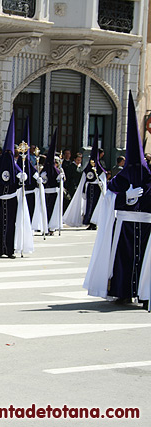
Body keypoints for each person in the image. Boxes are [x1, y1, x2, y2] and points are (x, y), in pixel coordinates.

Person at [84, 92, 151, 308]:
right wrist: (125, 196)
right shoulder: (122, 177)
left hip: (146, 224)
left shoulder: (148, 176)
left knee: (143, 260)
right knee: (123, 258)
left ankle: (143, 292)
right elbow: (108, 198)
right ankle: (123, 290)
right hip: (125, 225)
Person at [0, 113, 33, 258]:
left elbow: (22, 185)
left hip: (12, 201)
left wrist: (22, 179)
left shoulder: (17, 169)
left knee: (11, 225)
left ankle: (9, 249)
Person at [63, 132, 107, 229]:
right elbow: (84, 178)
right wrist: (83, 189)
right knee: (88, 206)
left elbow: (103, 178)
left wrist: (101, 184)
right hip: (89, 188)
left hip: (97, 189)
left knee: (95, 205)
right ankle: (88, 220)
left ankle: (94, 222)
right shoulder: (87, 167)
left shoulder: (100, 166)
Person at [40, 129, 64, 234]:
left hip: (52, 192)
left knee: (50, 210)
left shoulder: (55, 170)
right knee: (47, 209)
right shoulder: (53, 170)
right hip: (48, 193)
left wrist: (61, 179)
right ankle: (46, 227)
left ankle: (50, 227)